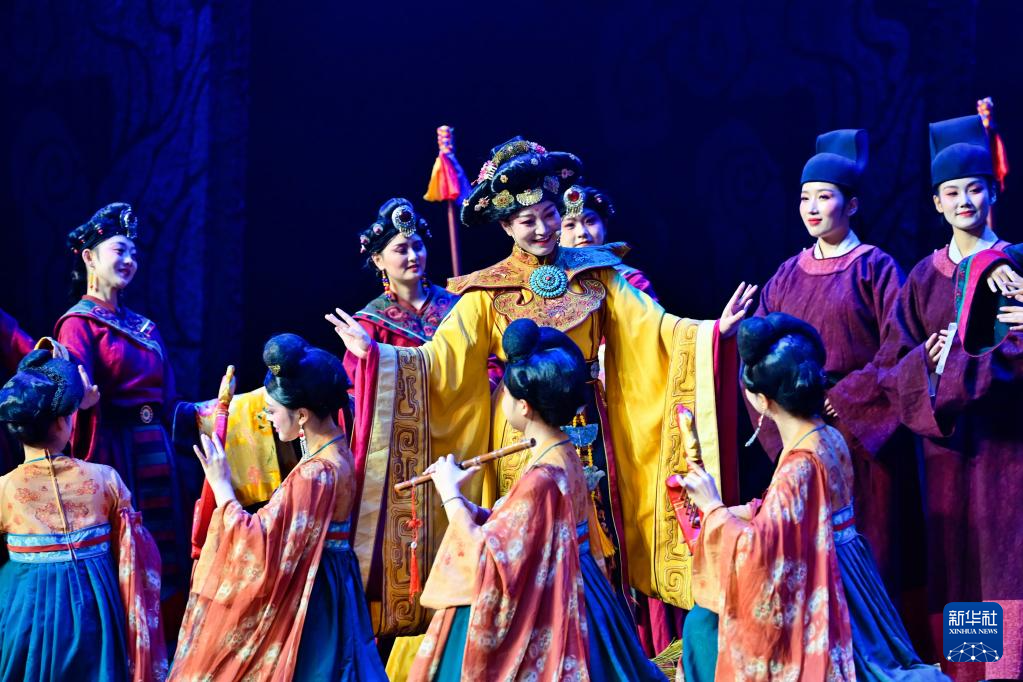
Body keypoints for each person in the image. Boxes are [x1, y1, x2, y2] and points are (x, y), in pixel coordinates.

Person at [327, 138, 754, 646]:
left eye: (550, 215)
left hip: (590, 429)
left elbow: (653, 328)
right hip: (520, 433)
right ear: (506, 227)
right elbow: (440, 361)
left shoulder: (596, 273)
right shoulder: (487, 291)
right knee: (527, 542)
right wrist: (378, 355)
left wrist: (710, 333)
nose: (543, 228)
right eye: (527, 221)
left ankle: (599, 646)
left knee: (600, 541)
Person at [840, 113, 1022, 679]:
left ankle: (1007, 671)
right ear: (937, 203)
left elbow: (1017, 348)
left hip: (1006, 446)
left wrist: (954, 364)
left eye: (975, 189)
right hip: (946, 451)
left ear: (993, 193)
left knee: (1006, 556)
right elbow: (894, 365)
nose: (965, 201)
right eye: (953, 192)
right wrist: (929, 362)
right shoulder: (923, 277)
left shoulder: (1013, 265)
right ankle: (969, 672)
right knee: (960, 561)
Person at [683, 313, 944, 681]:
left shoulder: (800, 464)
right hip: (849, 576)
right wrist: (748, 511)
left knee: (702, 625)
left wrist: (712, 508)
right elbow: (799, 513)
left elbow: (759, 551)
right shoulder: (828, 436)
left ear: (761, 401)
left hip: (823, 585)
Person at [408, 319, 664, 681]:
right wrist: (472, 508)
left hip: (554, 598)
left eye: (506, 395)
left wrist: (449, 493)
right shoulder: (564, 451)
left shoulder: (542, 476)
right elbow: (527, 530)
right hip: (582, 586)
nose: (503, 401)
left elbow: (489, 555)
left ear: (524, 407)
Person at [749, 130, 926, 629]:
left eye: (823, 197)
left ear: (852, 205)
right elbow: (760, 349)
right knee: (808, 544)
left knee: (871, 544)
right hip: (801, 432)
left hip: (860, 434)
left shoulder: (876, 267)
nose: (811, 208)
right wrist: (786, 411)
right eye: (804, 197)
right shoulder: (786, 274)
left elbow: (899, 348)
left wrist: (844, 398)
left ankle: (876, 647)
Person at [170, 334, 386, 681]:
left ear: (301, 415)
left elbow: (260, 543)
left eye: (272, 411)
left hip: (313, 596)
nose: (268, 418)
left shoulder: (316, 473)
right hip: (332, 583)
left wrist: (222, 486)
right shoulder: (339, 450)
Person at [56, 203, 193, 627]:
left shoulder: (145, 327)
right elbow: (72, 391)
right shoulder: (79, 324)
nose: (130, 260)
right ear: (89, 257)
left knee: (167, 552)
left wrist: (215, 412)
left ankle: (167, 643)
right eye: (120, 250)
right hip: (117, 452)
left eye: (134, 252)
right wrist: (81, 400)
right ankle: (129, 645)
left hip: (158, 453)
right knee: (129, 553)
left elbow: (169, 400)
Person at [0, 348, 165, 680]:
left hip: (24, 613)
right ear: (63, 422)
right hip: (95, 613)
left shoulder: (4, 489)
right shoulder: (106, 480)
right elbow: (135, 555)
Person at [559, 184, 658, 299]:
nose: (582, 232)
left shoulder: (630, 280)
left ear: (604, 227)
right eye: (570, 225)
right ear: (555, 234)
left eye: (590, 221)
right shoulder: (547, 283)